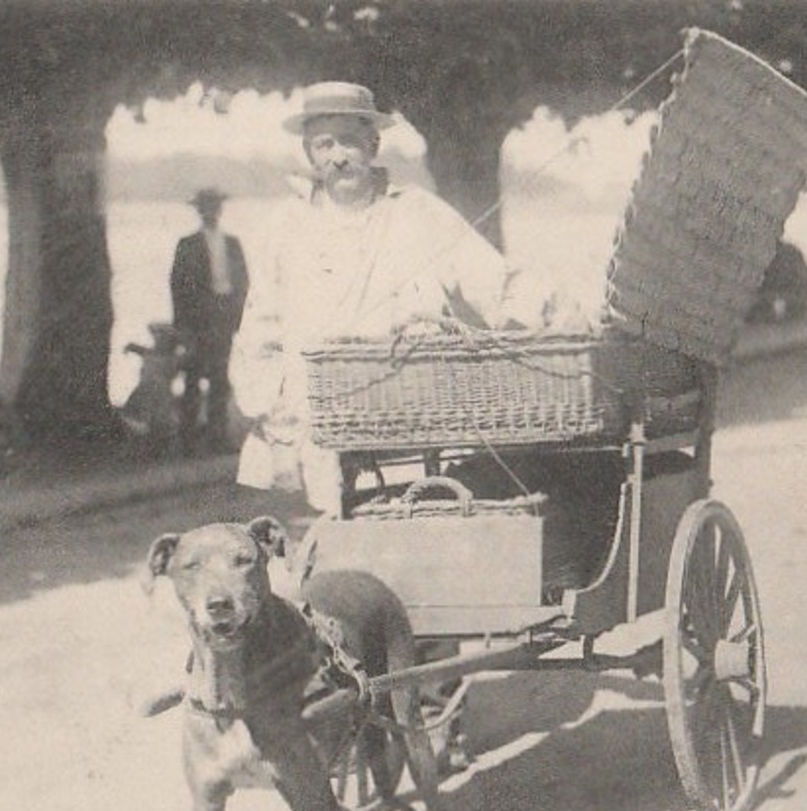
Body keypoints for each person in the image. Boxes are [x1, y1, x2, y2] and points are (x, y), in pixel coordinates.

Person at [233, 81, 556, 514]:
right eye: (324, 145)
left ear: (374, 143)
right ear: (309, 154)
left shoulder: (418, 214)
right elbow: (259, 338)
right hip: (312, 433)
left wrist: (553, 315)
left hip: (406, 427)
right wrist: (279, 433)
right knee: (316, 561)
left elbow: (495, 280)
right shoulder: (285, 229)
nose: (339, 156)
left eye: (350, 140)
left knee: (408, 536)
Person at [170, 187, 250, 454]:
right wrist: (182, 327)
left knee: (220, 378)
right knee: (193, 378)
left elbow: (243, 283)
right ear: (199, 211)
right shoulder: (187, 244)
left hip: (223, 317)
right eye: (205, 207)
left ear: (220, 210)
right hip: (197, 321)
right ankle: (188, 439)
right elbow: (177, 287)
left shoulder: (232, 244)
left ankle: (218, 436)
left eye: (214, 206)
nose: (211, 212)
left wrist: (239, 318)